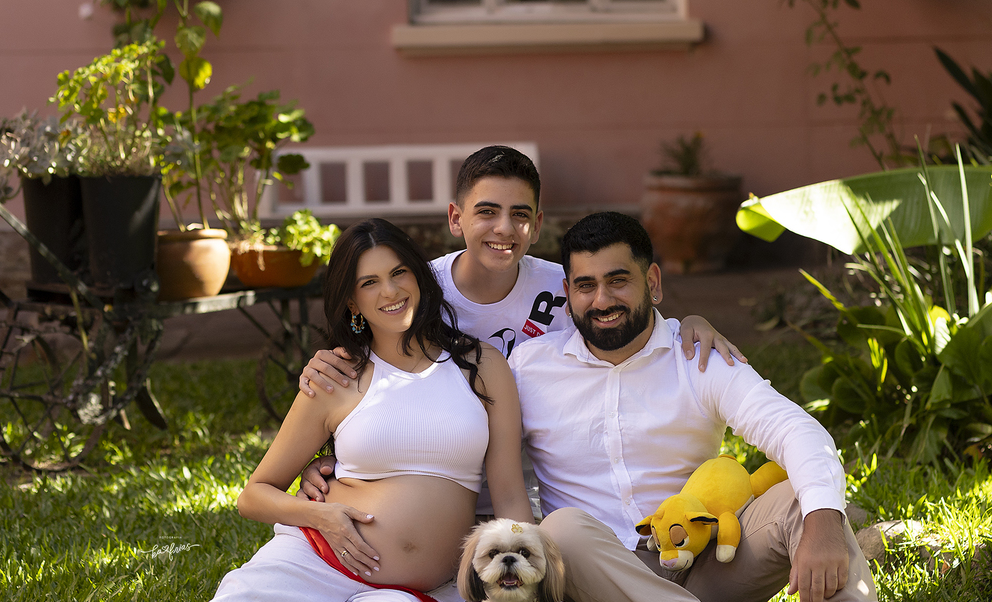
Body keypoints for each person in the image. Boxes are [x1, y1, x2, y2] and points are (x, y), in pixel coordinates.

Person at [0, 218, 534, 602]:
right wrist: (322, 514)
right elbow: (255, 493)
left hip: (421, 589)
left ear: (420, 278)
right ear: (352, 300)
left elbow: (509, 496)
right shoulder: (336, 377)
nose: (390, 291)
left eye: (399, 273)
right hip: (321, 554)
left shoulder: (478, 365)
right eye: (369, 282)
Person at [511, 211, 960, 602]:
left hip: (702, 570)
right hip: (593, 601)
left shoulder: (697, 357)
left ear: (653, 282)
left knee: (800, 498)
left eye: (619, 281)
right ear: (568, 292)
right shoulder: (529, 368)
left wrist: (824, 521)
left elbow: (795, 429)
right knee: (560, 531)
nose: (602, 300)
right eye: (585, 285)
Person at [298, 145, 744, 515]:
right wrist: (329, 458)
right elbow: (367, 381)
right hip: (434, 496)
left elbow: (632, 321)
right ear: (455, 218)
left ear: (538, 225)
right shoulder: (414, 292)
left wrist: (691, 323)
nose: (505, 228)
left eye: (520, 214)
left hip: (531, 498)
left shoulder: (570, 288)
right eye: (487, 212)